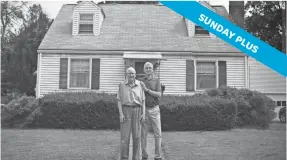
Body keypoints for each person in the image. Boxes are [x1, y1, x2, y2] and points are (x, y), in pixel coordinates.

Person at [117, 67, 146, 160]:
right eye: (129, 73)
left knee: (137, 136)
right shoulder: (121, 85)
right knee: (125, 137)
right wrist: (121, 114)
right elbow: (119, 100)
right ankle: (124, 158)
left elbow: (143, 100)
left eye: (133, 73)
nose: (131, 75)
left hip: (137, 110)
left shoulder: (140, 85)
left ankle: (136, 158)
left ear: (135, 74)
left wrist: (144, 113)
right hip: (126, 111)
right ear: (126, 74)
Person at [140, 62, 163, 160]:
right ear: (144, 70)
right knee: (143, 134)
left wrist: (147, 90)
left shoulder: (157, 80)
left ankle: (157, 156)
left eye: (150, 68)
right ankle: (144, 155)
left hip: (154, 109)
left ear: (152, 69)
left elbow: (159, 94)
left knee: (158, 134)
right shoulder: (141, 81)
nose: (148, 69)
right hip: (144, 110)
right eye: (146, 68)